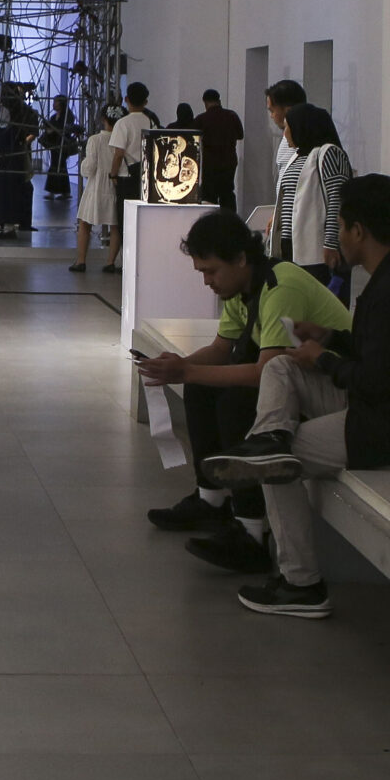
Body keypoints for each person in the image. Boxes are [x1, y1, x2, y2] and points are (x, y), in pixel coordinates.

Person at [204, 175, 390, 617]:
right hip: (385, 410)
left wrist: (323, 359)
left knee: (276, 465)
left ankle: (300, 583)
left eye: (338, 226)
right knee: (281, 366)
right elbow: (381, 354)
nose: (336, 236)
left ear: (358, 230)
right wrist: (331, 337)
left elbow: (379, 382)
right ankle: (268, 437)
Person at [135, 209, 349, 567]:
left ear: (240, 259)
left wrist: (187, 370)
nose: (207, 282)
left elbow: (266, 373)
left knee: (237, 404)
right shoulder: (241, 289)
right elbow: (221, 350)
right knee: (202, 389)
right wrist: (176, 366)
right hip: (295, 383)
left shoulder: (281, 287)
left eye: (211, 271)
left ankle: (252, 530)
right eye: (202, 273)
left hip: (332, 392)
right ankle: (212, 499)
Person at [270, 104, 352, 282]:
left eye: (288, 128)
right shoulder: (297, 156)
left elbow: (337, 201)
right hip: (291, 244)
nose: (285, 134)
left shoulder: (329, 153)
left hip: (316, 250)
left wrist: (330, 243)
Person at [101, 83, 155, 268]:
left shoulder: (123, 123)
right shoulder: (151, 121)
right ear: (146, 101)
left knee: (125, 220)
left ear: (126, 99)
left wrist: (113, 174)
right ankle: (144, 259)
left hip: (126, 177)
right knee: (144, 219)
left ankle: (127, 262)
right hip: (147, 175)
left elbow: (118, 154)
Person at [68, 104, 122, 273]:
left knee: (85, 223)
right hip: (116, 185)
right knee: (115, 225)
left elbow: (89, 167)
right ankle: (110, 262)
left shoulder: (95, 140)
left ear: (103, 119)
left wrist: (83, 167)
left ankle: (81, 260)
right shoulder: (122, 139)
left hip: (96, 186)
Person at [0, 85, 36, 238]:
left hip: (6, 157)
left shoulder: (5, 112)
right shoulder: (21, 111)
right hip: (16, 156)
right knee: (13, 190)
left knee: (5, 191)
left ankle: (7, 226)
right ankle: (9, 225)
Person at [261, 79, 306, 207]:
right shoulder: (286, 140)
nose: (271, 116)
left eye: (272, 111)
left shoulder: (304, 143)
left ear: (287, 110)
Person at [197, 88, 243, 211]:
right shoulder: (232, 116)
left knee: (209, 195)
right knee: (227, 193)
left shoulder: (202, 119)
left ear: (205, 102)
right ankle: (230, 220)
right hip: (229, 161)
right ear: (219, 100)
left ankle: (210, 220)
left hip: (210, 163)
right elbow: (240, 135)